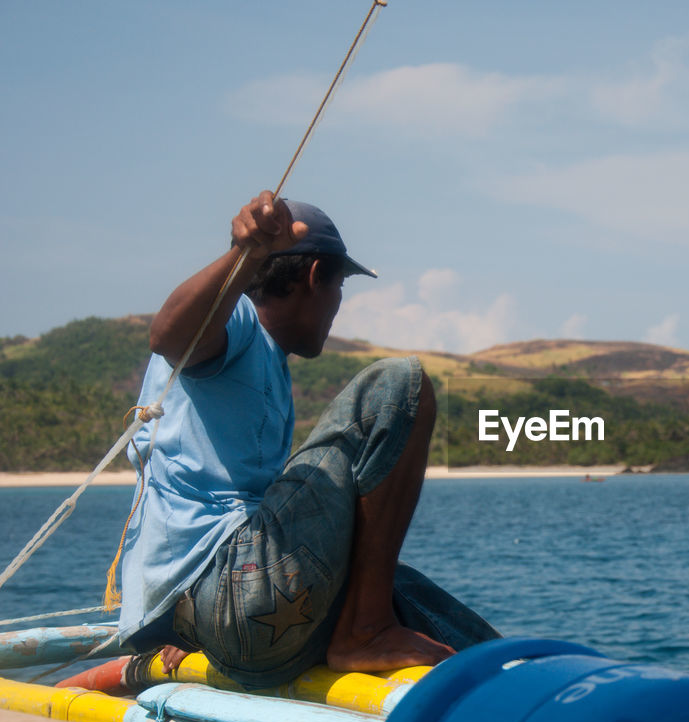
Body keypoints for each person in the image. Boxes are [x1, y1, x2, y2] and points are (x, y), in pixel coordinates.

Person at [102, 191, 498, 689]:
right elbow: (170, 337)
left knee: (400, 587)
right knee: (400, 384)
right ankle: (367, 630)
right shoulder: (242, 324)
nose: (337, 308)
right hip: (236, 595)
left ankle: (507, 671)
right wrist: (240, 258)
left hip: (218, 619)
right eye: (339, 288)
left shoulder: (270, 366)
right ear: (315, 278)